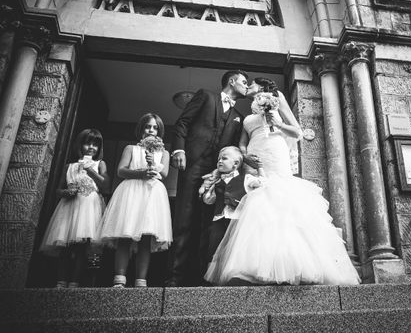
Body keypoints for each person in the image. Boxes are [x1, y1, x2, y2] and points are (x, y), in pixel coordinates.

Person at [204, 78, 360, 286]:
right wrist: (245, 155)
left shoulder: (278, 99)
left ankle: (292, 264)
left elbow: (297, 132)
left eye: (251, 83)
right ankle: (257, 264)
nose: (248, 86)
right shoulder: (248, 115)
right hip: (255, 157)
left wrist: (276, 123)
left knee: (280, 197)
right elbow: (242, 143)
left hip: (275, 153)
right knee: (257, 204)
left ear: (262, 87)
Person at [166, 70, 253, 286]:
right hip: (193, 165)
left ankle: (200, 279)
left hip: (216, 174)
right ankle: (174, 279)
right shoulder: (206, 96)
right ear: (231, 81)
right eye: (244, 82)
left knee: (208, 225)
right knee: (184, 219)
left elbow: (232, 148)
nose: (246, 85)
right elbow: (183, 123)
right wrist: (178, 151)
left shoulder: (238, 117)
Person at [98, 113, 172, 288]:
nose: (151, 130)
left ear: (159, 131)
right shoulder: (131, 148)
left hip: (151, 194)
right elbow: (121, 171)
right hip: (131, 192)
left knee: (146, 238)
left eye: (155, 127)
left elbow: (165, 174)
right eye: (148, 126)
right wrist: (140, 173)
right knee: (126, 235)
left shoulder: (164, 152)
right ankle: (119, 279)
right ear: (141, 129)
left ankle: (141, 281)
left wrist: (153, 164)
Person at [39, 129, 108, 288]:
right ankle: (61, 281)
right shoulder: (69, 166)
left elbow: (105, 184)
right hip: (69, 208)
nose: (91, 147)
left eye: (95, 144)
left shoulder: (100, 164)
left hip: (89, 208)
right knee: (65, 246)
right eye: (87, 143)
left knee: (82, 247)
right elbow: (58, 190)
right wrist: (66, 192)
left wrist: (90, 170)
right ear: (80, 145)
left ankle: (75, 282)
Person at [199, 146, 263, 266]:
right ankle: (213, 275)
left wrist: (259, 169)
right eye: (218, 159)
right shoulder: (217, 182)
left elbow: (262, 184)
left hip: (236, 219)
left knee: (234, 247)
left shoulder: (246, 179)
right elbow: (209, 201)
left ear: (236, 164)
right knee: (214, 244)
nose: (219, 161)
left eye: (224, 158)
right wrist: (208, 190)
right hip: (219, 218)